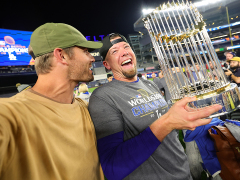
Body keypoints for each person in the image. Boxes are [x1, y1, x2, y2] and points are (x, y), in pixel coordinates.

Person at [88, 33, 222, 180]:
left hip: (183, 174)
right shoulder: (103, 97)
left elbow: (165, 129)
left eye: (126, 47)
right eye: (115, 51)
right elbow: (112, 168)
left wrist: (179, 118)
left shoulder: (150, 84)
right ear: (106, 64)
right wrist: (167, 123)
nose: (124, 52)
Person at [0, 23, 104, 180]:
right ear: (61, 55)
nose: (92, 57)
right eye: (85, 51)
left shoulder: (84, 106)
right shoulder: (10, 114)